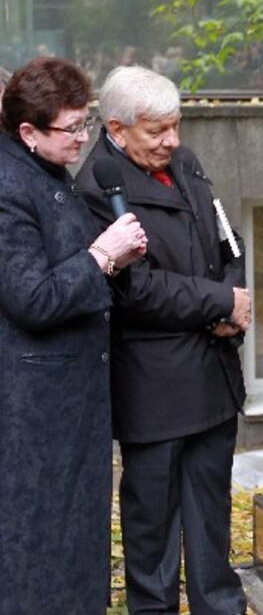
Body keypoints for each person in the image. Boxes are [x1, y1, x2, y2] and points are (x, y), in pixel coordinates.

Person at [76, 65, 249, 614]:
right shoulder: (98, 187)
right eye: (158, 131)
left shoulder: (187, 162)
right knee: (151, 531)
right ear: (118, 128)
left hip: (212, 375)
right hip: (154, 389)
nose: (172, 141)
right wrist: (220, 302)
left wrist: (235, 297)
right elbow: (135, 289)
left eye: (176, 126)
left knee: (212, 522)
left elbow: (229, 240)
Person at [0, 57, 146, 612]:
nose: (84, 140)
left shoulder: (45, 170)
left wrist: (118, 256)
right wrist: (102, 254)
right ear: (28, 131)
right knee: (37, 552)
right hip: (33, 416)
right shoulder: (9, 184)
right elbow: (31, 298)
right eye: (72, 128)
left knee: (74, 544)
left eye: (86, 124)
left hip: (69, 408)